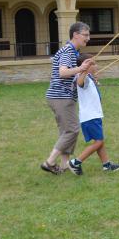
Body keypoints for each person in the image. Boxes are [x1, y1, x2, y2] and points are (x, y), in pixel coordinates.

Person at [41, 22, 94, 175]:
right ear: (75, 35)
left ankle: (64, 165)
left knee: (67, 131)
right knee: (72, 130)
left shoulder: (74, 52)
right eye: (85, 35)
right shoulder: (67, 51)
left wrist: (84, 73)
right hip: (61, 97)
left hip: (62, 97)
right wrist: (81, 68)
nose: (88, 38)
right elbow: (63, 73)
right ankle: (50, 162)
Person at [67, 53, 119, 175]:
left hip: (94, 115)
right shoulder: (82, 77)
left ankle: (106, 164)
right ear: (86, 66)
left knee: (100, 140)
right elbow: (80, 82)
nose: (96, 66)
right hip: (90, 116)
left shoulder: (89, 77)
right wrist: (84, 70)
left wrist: (92, 77)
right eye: (93, 64)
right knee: (98, 142)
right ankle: (75, 162)